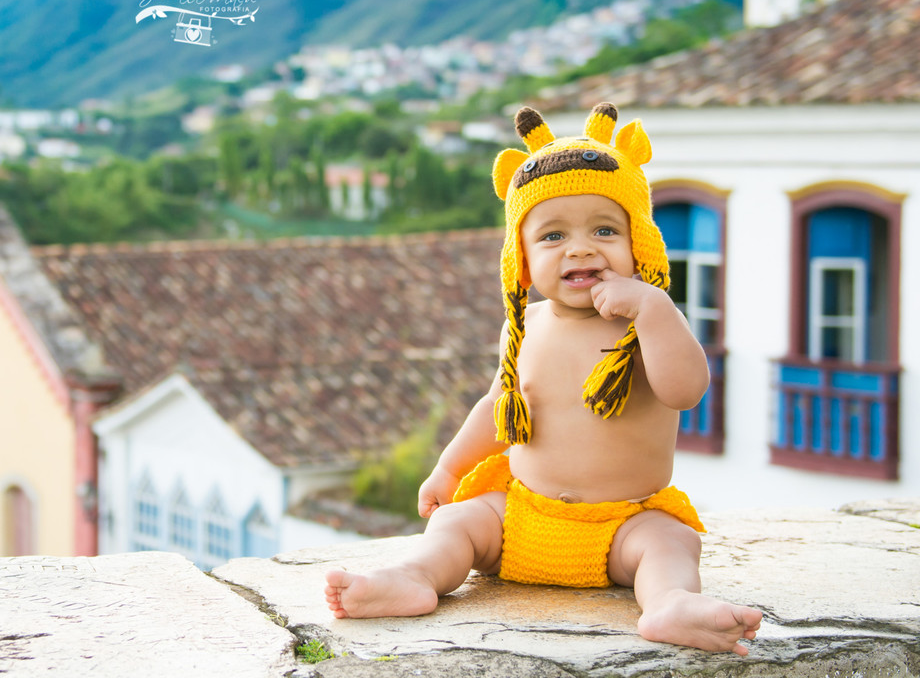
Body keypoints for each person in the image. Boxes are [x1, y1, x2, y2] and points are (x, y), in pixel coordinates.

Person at [324, 102, 763, 655]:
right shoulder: (527, 326)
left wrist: (653, 310)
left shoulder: (647, 326)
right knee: (456, 523)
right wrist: (449, 467)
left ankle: (670, 604)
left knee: (671, 541)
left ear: (639, 245)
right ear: (523, 261)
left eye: (605, 229)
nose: (580, 248)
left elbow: (686, 390)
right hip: (520, 517)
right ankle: (412, 578)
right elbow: (497, 408)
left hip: (621, 528)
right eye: (553, 236)